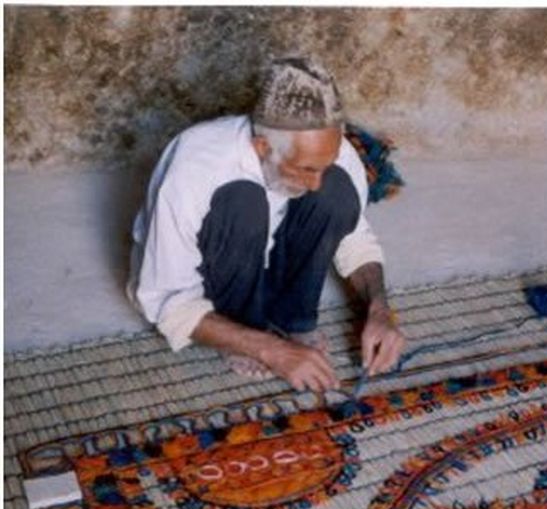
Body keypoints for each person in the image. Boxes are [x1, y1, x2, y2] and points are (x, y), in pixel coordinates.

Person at [127, 57, 405, 392]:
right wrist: (270, 349)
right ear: (262, 147)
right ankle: (245, 327)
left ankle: (293, 318)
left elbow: (353, 238)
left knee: (337, 187)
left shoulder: (334, 154)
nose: (314, 183)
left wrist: (379, 309)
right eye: (304, 169)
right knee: (242, 201)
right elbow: (166, 300)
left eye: (323, 164)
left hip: (276, 258)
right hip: (213, 277)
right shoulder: (197, 166)